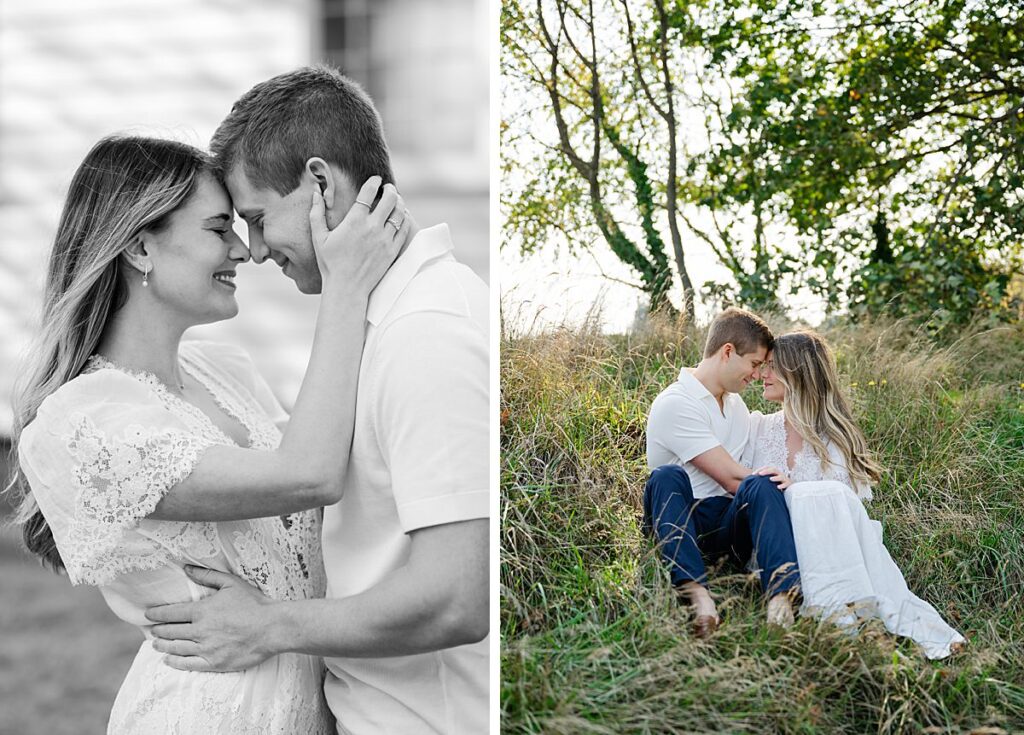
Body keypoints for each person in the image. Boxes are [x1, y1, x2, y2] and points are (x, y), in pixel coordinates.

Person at [10, 135, 408, 732]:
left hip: (312, 704)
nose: (243, 251)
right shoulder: (83, 423)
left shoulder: (225, 371)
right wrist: (344, 284)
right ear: (141, 247)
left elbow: (337, 481)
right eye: (219, 228)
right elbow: (310, 474)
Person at [145, 66, 490, 735]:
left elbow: (455, 596)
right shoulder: (379, 322)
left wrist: (266, 626)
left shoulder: (427, 333)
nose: (252, 249)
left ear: (321, 183)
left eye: (256, 217)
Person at [748, 330, 966, 658]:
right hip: (774, 552)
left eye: (772, 366)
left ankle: (852, 621)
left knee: (831, 496)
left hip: (830, 551)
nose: (762, 375)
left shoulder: (837, 438)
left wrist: (796, 491)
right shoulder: (759, 429)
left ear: (798, 372)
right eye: (762, 366)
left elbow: (845, 515)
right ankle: (825, 617)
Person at [644, 307, 801, 639]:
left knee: (760, 482)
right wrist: (772, 483)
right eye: (755, 364)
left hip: (726, 524)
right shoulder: (676, 402)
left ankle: (781, 598)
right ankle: (699, 597)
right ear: (728, 351)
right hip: (681, 517)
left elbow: (743, 484)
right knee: (666, 476)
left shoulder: (736, 406)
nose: (758, 375)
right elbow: (731, 478)